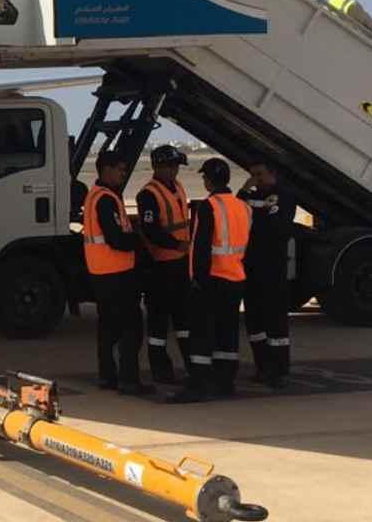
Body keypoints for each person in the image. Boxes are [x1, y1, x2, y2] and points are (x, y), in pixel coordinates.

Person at [167, 158, 250, 404]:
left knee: (201, 333)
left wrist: (198, 279)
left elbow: (201, 247)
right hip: (236, 277)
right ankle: (225, 381)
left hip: (213, 279)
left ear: (209, 181)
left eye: (204, 177)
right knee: (227, 332)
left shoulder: (209, 206)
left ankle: (198, 383)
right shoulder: (243, 207)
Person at [81, 151, 154, 395]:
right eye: (120, 169)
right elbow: (115, 238)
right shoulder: (105, 199)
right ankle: (128, 379)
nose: (124, 174)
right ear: (107, 169)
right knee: (131, 327)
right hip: (116, 272)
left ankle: (108, 376)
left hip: (101, 271)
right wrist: (139, 242)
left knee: (108, 327)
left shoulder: (96, 195)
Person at [239, 162, 296, 388]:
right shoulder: (252, 196)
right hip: (251, 267)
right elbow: (237, 211)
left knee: (275, 322)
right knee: (254, 321)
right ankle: (262, 366)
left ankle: (279, 370)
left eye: (260, 174)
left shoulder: (284, 196)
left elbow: (274, 226)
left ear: (273, 174)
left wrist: (255, 219)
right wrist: (245, 189)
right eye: (252, 175)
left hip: (272, 269)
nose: (256, 179)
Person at [136, 145, 191, 384]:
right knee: (158, 322)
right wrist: (176, 244)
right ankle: (160, 369)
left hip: (180, 263)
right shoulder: (148, 194)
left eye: (176, 166)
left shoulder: (177, 187)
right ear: (159, 167)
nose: (175, 170)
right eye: (172, 166)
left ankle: (191, 363)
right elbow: (150, 230)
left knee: (183, 319)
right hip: (160, 266)